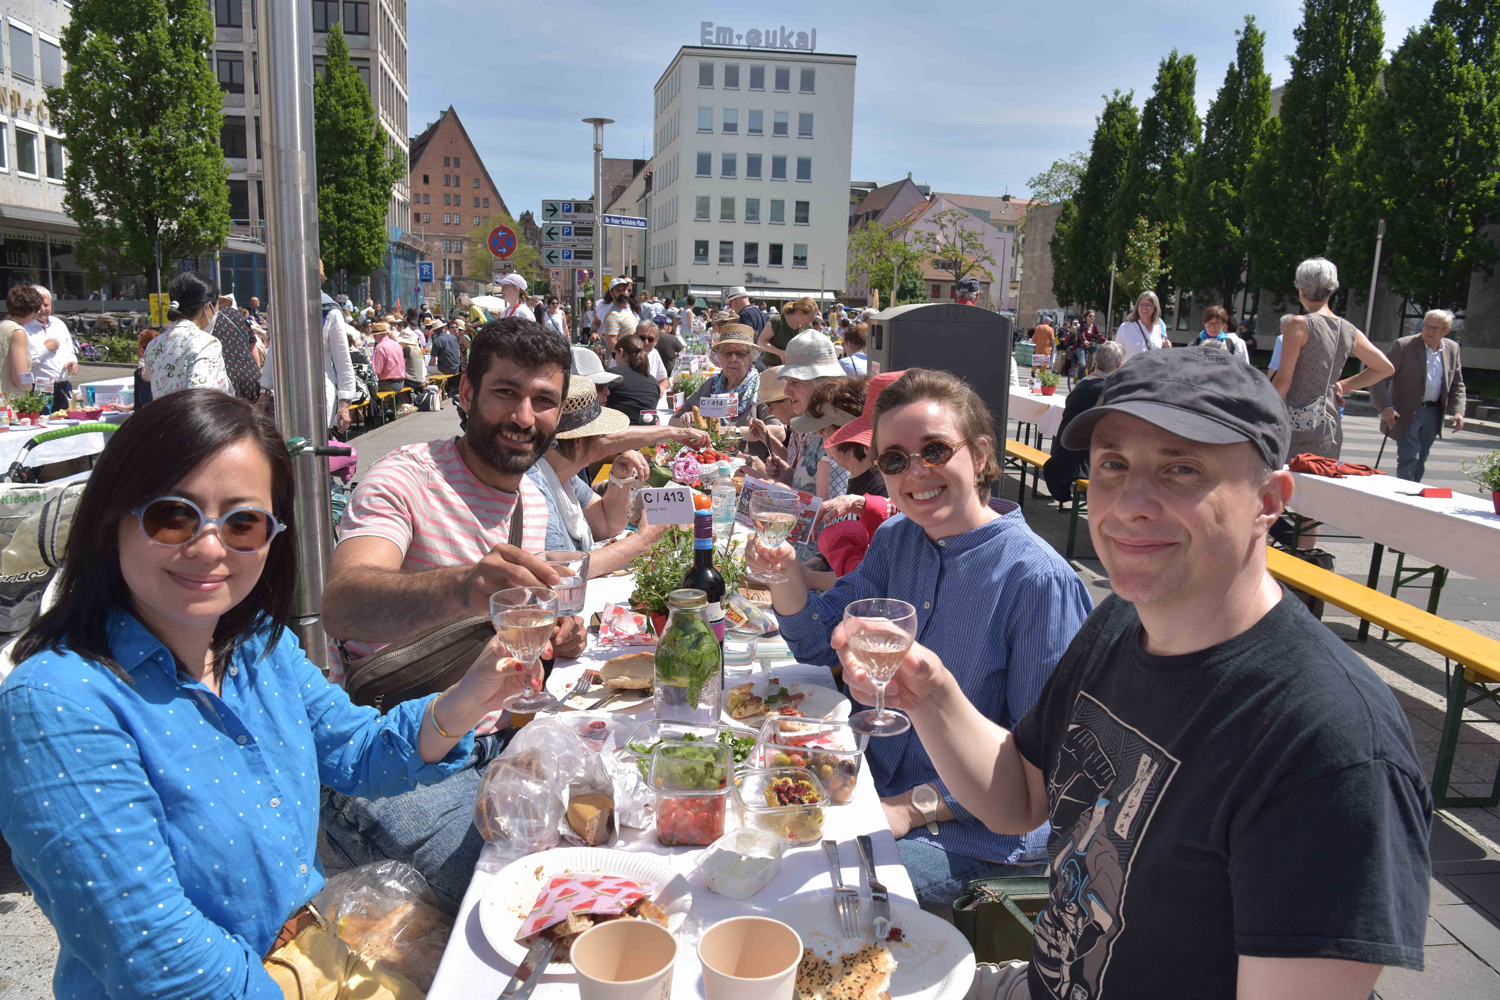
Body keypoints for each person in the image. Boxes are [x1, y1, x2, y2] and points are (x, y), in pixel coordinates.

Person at [864, 349, 1431, 998]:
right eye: (1113, 465)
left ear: (1269, 501)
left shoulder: (1330, 746)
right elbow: (1018, 800)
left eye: (1181, 469)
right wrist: (931, 693)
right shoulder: (1118, 624)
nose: (1130, 504)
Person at [0, 389, 527, 1000]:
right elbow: (157, 957)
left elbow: (359, 752)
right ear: (112, 519)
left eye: (242, 523)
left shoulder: (255, 645)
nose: (208, 547)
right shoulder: (57, 703)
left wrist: (473, 692)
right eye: (172, 516)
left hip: (305, 959)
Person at [747, 368, 1093, 914]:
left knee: (807, 898)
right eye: (894, 459)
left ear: (980, 455)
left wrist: (913, 807)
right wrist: (785, 575)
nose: (915, 472)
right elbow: (815, 643)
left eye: (934, 450)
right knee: (750, 825)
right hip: (873, 789)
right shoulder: (897, 539)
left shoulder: (1037, 581)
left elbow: (1047, 776)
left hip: (971, 837)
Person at [319, 317, 588, 906]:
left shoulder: (531, 496)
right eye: (506, 392)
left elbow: (510, 621)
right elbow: (342, 604)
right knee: (520, 897)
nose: (524, 417)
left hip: (498, 740)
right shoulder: (405, 478)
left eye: (543, 400)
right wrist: (463, 587)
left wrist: (555, 632)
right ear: (466, 392)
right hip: (392, 756)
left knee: (609, 833)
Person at [528, 378, 704, 573]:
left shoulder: (565, 476)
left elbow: (609, 526)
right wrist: (642, 541)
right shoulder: (534, 486)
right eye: (601, 435)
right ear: (578, 443)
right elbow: (560, 572)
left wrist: (620, 477)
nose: (609, 442)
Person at [1272, 257, 1395, 460]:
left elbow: (1283, 381)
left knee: (1286, 479)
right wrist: (1342, 385)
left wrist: (1260, 413)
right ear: (1331, 290)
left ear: (1301, 289)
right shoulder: (1347, 329)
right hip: (1328, 424)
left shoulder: (1299, 324)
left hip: (1293, 423)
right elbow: (1385, 368)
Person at [1371, 308, 1466, 483]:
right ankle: (1406, 493)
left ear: (1447, 331)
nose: (1429, 331)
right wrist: (1385, 407)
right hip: (1406, 412)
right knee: (1409, 456)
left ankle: (1413, 490)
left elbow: (1457, 384)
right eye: (1426, 326)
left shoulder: (1452, 348)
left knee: (1421, 458)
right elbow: (1378, 378)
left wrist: (1458, 412)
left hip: (1434, 412)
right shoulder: (1403, 346)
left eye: (1436, 328)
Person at [1043, 341, 1126, 502]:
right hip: (1080, 462)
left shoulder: (1084, 382)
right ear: (1120, 365)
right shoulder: (1107, 390)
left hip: (1061, 457)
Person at [142, 271, 234, 398]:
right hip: (196, 411)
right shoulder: (206, 344)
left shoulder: (153, 345)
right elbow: (203, 399)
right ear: (208, 307)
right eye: (217, 308)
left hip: (164, 411)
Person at [672, 324, 761, 427]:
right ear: (719, 357)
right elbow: (673, 421)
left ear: (751, 358)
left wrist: (733, 432)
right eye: (727, 353)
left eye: (740, 353)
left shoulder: (760, 388)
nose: (733, 359)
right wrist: (686, 418)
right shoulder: (711, 385)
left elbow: (775, 430)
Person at [24, 285, 79, 411]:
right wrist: (45, 349)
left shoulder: (58, 324)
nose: (43, 309)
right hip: (41, 387)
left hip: (64, 386)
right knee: (44, 421)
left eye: (46, 305)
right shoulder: (24, 328)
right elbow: (24, 362)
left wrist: (72, 361)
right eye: (38, 306)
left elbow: (69, 349)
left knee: (68, 421)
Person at [212, 293, 264, 403]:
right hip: (251, 376)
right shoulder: (236, 315)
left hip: (225, 380)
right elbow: (254, 354)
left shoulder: (206, 320)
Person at [606, 334, 669, 424]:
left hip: (617, 429)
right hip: (646, 430)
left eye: (614, 355)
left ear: (621, 352)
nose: (614, 359)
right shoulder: (654, 383)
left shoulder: (611, 376)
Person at [2, 283, 43, 402]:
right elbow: (21, 375)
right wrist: (29, 388)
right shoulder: (17, 332)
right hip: (10, 398)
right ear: (32, 311)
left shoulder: (3, 325)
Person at [756, 295, 819, 362]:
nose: (811, 321)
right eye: (810, 318)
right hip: (773, 366)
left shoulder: (808, 326)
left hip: (798, 366)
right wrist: (780, 353)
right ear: (800, 313)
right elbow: (761, 342)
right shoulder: (777, 321)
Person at [1114, 291, 1169, 359]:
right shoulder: (1125, 327)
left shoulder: (1161, 326)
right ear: (1137, 307)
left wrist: (1166, 349)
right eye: (1142, 304)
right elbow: (1116, 355)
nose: (1145, 307)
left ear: (1155, 308)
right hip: (1131, 366)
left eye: (1149, 305)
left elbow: (1163, 355)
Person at [596, 278, 639, 350]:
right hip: (624, 356)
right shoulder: (613, 316)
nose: (622, 293)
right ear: (611, 294)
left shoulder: (628, 310)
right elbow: (612, 345)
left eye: (624, 289)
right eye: (618, 290)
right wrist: (629, 354)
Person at [635, 319, 672, 392]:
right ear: (635, 337)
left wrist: (659, 390)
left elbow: (664, 380)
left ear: (656, 341)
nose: (646, 342)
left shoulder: (654, 353)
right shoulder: (624, 355)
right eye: (642, 338)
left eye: (650, 339)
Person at [369, 321, 405, 393]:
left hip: (388, 384)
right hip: (401, 382)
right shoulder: (396, 344)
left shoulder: (380, 347)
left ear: (375, 336)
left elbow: (376, 370)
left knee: (368, 388)